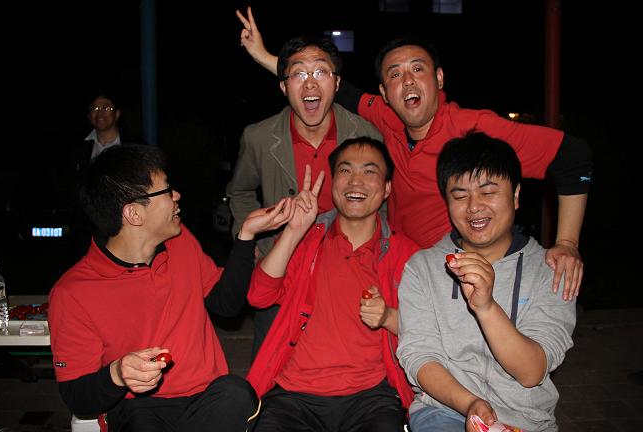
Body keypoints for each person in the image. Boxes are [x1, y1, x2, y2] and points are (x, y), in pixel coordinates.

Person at [235, 7, 592, 301]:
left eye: (417, 69)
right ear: (384, 92)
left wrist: (567, 243)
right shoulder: (386, 118)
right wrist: (266, 57)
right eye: (395, 74)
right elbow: (332, 88)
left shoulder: (473, 127)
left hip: (459, 277)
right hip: (399, 272)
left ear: (439, 78)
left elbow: (573, 156)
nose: (407, 81)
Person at [49, 144, 295, 431]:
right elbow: (78, 398)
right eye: (166, 190)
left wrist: (246, 236)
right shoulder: (74, 293)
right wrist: (117, 374)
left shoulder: (180, 242)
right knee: (141, 421)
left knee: (236, 393)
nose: (177, 195)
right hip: (139, 408)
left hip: (206, 400)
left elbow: (225, 304)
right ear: (134, 214)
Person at [396, 132, 577, 431]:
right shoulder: (423, 268)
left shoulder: (550, 271)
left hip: (525, 419)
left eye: (488, 191)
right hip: (444, 410)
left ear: (516, 195)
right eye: (459, 196)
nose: (474, 206)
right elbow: (420, 355)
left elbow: (532, 372)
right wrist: (470, 404)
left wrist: (487, 307)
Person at [247, 137, 419, 431]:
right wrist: (294, 231)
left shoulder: (405, 254)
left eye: (369, 171)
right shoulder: (308, 240)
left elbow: (431, 330)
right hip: (294, 395)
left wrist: (388, 317)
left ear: (387, 188)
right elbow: (259, 296)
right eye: (345, 170)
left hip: (370, 397)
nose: (355, 181)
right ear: (333, 182)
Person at [226, 30, 381, 358]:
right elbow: (239, 191)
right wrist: (253, 243)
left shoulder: (365, 134)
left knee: (348, 363)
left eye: (320, 72)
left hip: (347, 270)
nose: (310, 84)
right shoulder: (259, 138)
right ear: (284, 87)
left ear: (336, 83)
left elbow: (381, 201)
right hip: (280, 269)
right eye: (298, 74)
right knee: (270, 366)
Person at [71, 90, 145, 259]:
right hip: (88, 227)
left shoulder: (133, 146)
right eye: (95, 108)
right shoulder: (79, 149)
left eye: (106, 108)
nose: (100, 113)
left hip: (126, 224)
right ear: (89, 116)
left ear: (117, 114)